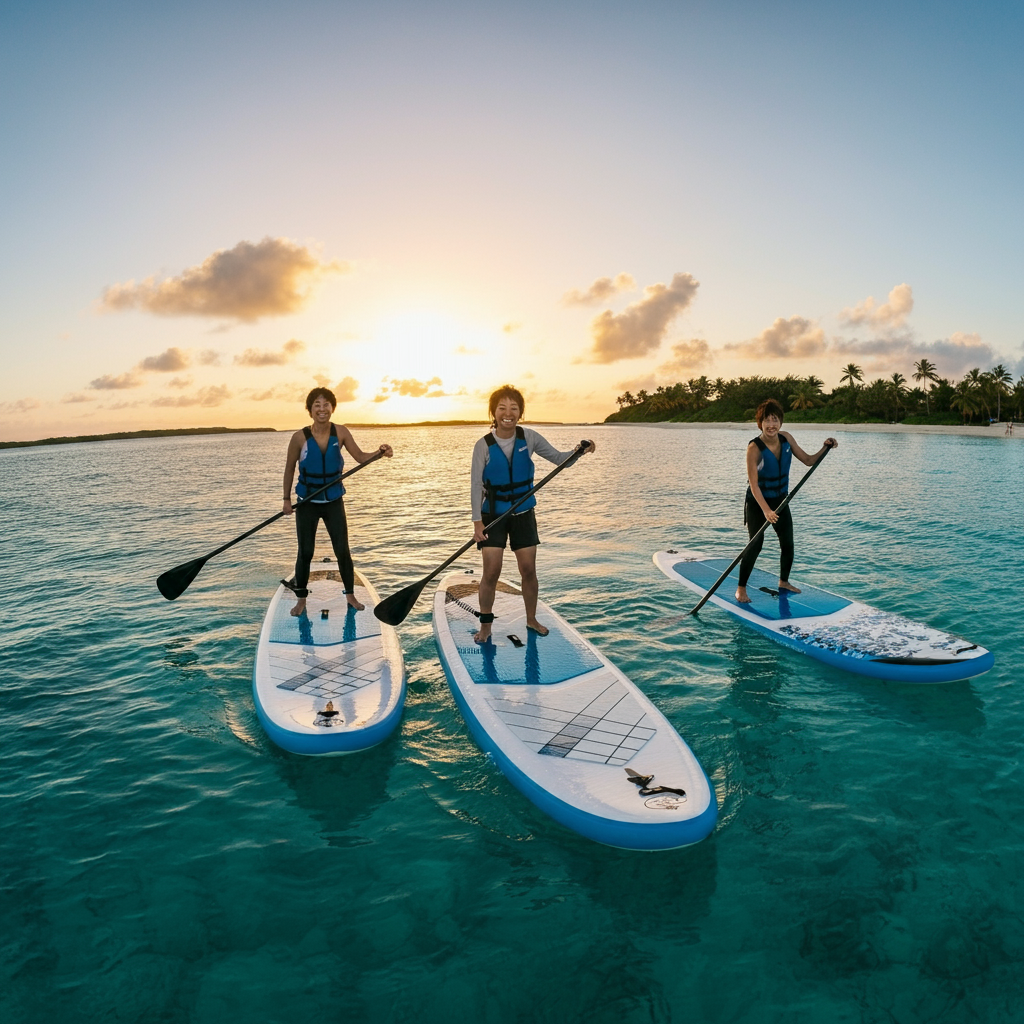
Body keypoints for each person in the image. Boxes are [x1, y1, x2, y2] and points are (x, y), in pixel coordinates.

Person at [470, 385, 596, 643]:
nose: (508, 413)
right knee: (491, 573)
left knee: (528, 570)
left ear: (520, 413)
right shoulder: (482, 445)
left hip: (524, 513)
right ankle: (485, 625)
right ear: (493, 412)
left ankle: (531, 618)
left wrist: (579, 450)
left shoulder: (529, 438)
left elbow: (561, 459)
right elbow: (475, 485)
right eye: (502, 408)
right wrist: (477, 523)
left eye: (514, 408)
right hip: (493, 516)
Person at [282, 387, 393, 617]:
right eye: (317, 405)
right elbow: (290, 468)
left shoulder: (340, 432)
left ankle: (350, 595)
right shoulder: (299, 437)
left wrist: (379, 452)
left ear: (332, 408)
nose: (322, 409)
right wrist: (286, 500)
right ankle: (301, 600)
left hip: (333, 500)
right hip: (307, 502)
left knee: (342, 550)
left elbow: (361, 457)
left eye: (326, 405)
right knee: (305, 552)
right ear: (310, 410)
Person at [735, 399, 837, 604]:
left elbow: (808, 461)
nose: (771, 425)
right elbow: (754, 486)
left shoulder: (786, 438)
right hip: (758, 503)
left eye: (775, 420)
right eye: (767, 421)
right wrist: (765, 510)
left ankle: (783, 581)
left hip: (781, 500)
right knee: (755, 545)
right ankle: (741, 588)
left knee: (788, 543)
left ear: (780, 422)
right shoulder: (754, 448)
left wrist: (824, 448)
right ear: (760, 423)